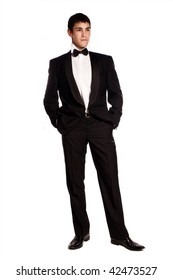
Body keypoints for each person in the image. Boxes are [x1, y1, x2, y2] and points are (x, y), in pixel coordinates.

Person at [44, 13, 145, 251]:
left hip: (101, 126)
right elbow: (49, 99)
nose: (84, 34)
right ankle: (81, 233)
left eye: (88, 29)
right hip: (72, 129)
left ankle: (120, 235)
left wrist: (113, 120)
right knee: (75, 182)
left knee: (110, 179)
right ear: (70, 32)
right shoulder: (57, 64)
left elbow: (116, 94)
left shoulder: (105, 61)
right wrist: (60, 124)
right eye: (79, 30)